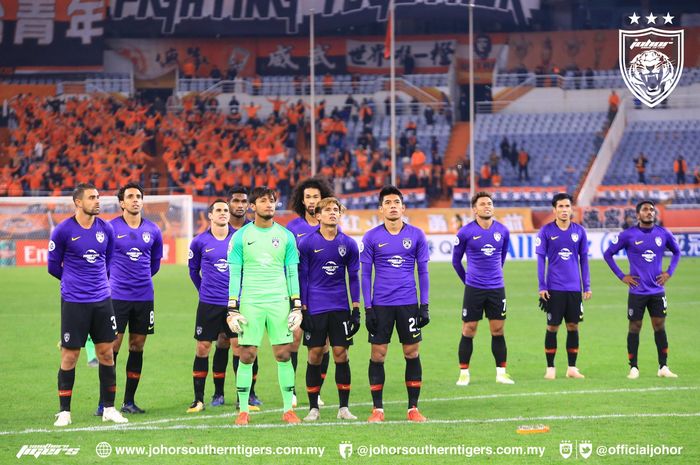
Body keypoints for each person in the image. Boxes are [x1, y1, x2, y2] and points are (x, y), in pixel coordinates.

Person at [48, 183, 128, 426]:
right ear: (78, 202)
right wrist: (74, 282)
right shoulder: (63, 231)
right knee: (70, 356)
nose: (97, 201)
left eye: (98, 197)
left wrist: (96, 284)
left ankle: (110, 409)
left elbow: (109, 260)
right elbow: (53, 266)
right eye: (92, 197)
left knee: (106, 353)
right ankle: (64, 412)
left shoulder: (106, 229)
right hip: (74, 302)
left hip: (103, 301)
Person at [226, 187, 303, 425]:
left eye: (272, 201)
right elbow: (234, 273)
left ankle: (288, 409)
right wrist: (232, 307)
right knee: (247, 355)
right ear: (253, 206)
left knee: (283, 353)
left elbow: (292, 272)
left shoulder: (286, 236)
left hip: (279, 302)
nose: (269, 205)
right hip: (251, 302)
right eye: (263, 201)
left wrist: (296, 305)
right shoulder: (240, 236)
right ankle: (243, 411)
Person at [361, 186, 430, 423]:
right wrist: (368, 308)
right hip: (381, 305)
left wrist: (425, 305)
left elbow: (423, 272)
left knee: (412, 352)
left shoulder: (417, 235)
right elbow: (365, 275)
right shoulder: (371, 237)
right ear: (380, 209)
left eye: (396, 202)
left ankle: (413, 408)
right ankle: (377, 410)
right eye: (387, 202)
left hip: (408, 303)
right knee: (378, 355)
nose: (392, 206)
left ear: (403, 207)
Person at [95, 183, 163, 416]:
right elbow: (101, 261)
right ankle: (105, 402)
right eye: (130, 196)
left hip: (144, 297)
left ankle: (129, 401)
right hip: (117, 297)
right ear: (122, 202)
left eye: (139, 196)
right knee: (111, 347)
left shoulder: (153, 230)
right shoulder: (109, 228)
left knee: (137, 346)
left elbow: (154, 265)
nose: (135, 200)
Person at [298, 197, 360, 421]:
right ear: (318, 216)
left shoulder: (349, 244)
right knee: (315, 355)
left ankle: (344, 408)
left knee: (341, 354)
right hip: (315, 307)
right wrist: (302, 308)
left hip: (340, 307)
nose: (332, 213)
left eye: (336, 210)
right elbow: (302, 277)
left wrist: (355, 309)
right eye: (328, 210)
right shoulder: (306, 243)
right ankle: (313, 408)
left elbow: (353, 277)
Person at [603, 200, 681, 379]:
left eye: (652, 210)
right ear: (638, 215)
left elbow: (677, 252)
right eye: (645, 210)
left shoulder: (663, 234)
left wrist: (669, 272)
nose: (649, 212)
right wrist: (622, 276)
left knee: (659, 326)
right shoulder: (628, 235)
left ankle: (663, 367)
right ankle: (634, 367)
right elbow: (608, 254)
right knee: (635, 326)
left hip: (657, 291)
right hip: (637, 291)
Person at [452, 191, 514, 386]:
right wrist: (468, 281)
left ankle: (501, 373)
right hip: (474, 289)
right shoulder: (465, 232)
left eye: (489, 203)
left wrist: (493, 276)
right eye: (482, 204)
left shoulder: (502, 231)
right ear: (474, 209)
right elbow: (456, 262)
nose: (487, 206)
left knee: (498, 330)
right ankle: (464, 373)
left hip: (496, 288)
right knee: (469, 329)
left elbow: (502, 257)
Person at [209, 187, 261, 410]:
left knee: (248, 344)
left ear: (249, 205)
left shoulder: (254, 231)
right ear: (229, 204)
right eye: (236, 201)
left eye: (243, 201)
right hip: (222, 298)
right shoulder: (220, 230)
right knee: (222, 341)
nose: (240, 205)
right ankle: (218, 393)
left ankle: (250, 393)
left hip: (250, 297)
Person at [286, 176, 335, 407]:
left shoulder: (331, 224)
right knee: (295, 338)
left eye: (316, 196)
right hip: (296, 289)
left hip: (323, 291)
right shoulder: (293, 228)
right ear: (302, 201)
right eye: (308, 197)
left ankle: (317, 391)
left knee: (323, 344)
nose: (313, 200)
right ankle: (292, 390)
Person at [186, 199, 236, 413]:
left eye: (226, 210)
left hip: (234, 304)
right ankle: (198, 399)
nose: (223, 213)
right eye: (219, 210)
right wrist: (205, 291)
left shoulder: (239, 239)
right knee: (202, 348)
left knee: (239, 349)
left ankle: (242, 398)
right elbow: (193, 271)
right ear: (210, 215)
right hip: (208, 304)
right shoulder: (199, 242)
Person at [536, 193, 591, 380]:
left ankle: (572, 368)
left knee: (573, 326)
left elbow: (584, 260)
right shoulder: (545, 231)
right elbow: (540, 260)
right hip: (554, 288)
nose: (564, 210)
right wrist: (542, 286)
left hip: (574, 288)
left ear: (571, 209)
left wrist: (587, 286)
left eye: (567, 206)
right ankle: (550, 368)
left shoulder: (579, 232)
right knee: (552, 326)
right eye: (560, 207)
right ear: (554, 210)